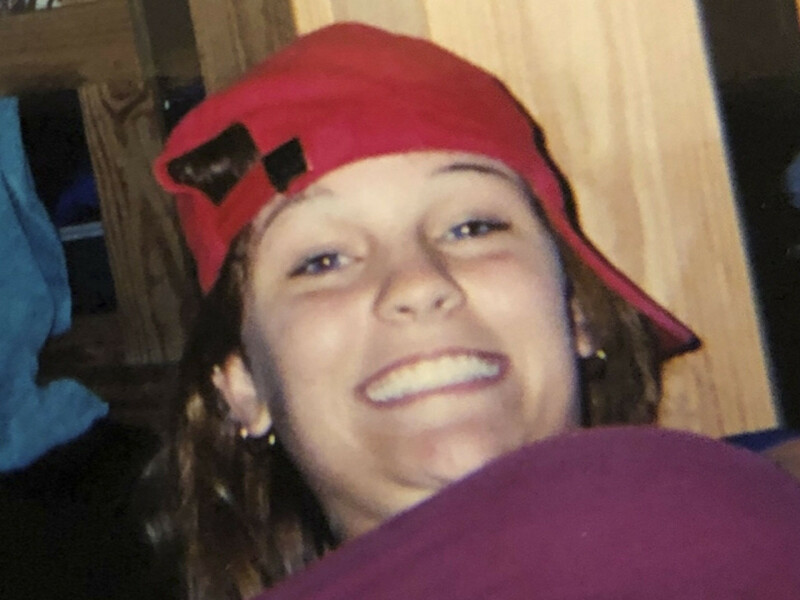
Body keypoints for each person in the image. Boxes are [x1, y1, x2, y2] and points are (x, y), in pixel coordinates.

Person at [151, 22, 703, 599]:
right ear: (242, 387)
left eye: (472, 227)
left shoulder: (746, 524)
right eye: (323, 261)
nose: (417, 284)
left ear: (576, 310)